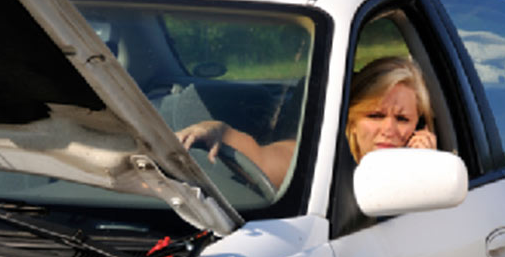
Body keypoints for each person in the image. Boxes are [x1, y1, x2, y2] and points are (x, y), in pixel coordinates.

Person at [176, 56, 437, 188]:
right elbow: (266, 160)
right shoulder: (326, 157)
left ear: (419, 125)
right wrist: (220, 131)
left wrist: (425, 170)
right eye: (375, 116)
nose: (389, 130)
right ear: (351, 118)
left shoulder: (425, 164)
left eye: (402, 119)